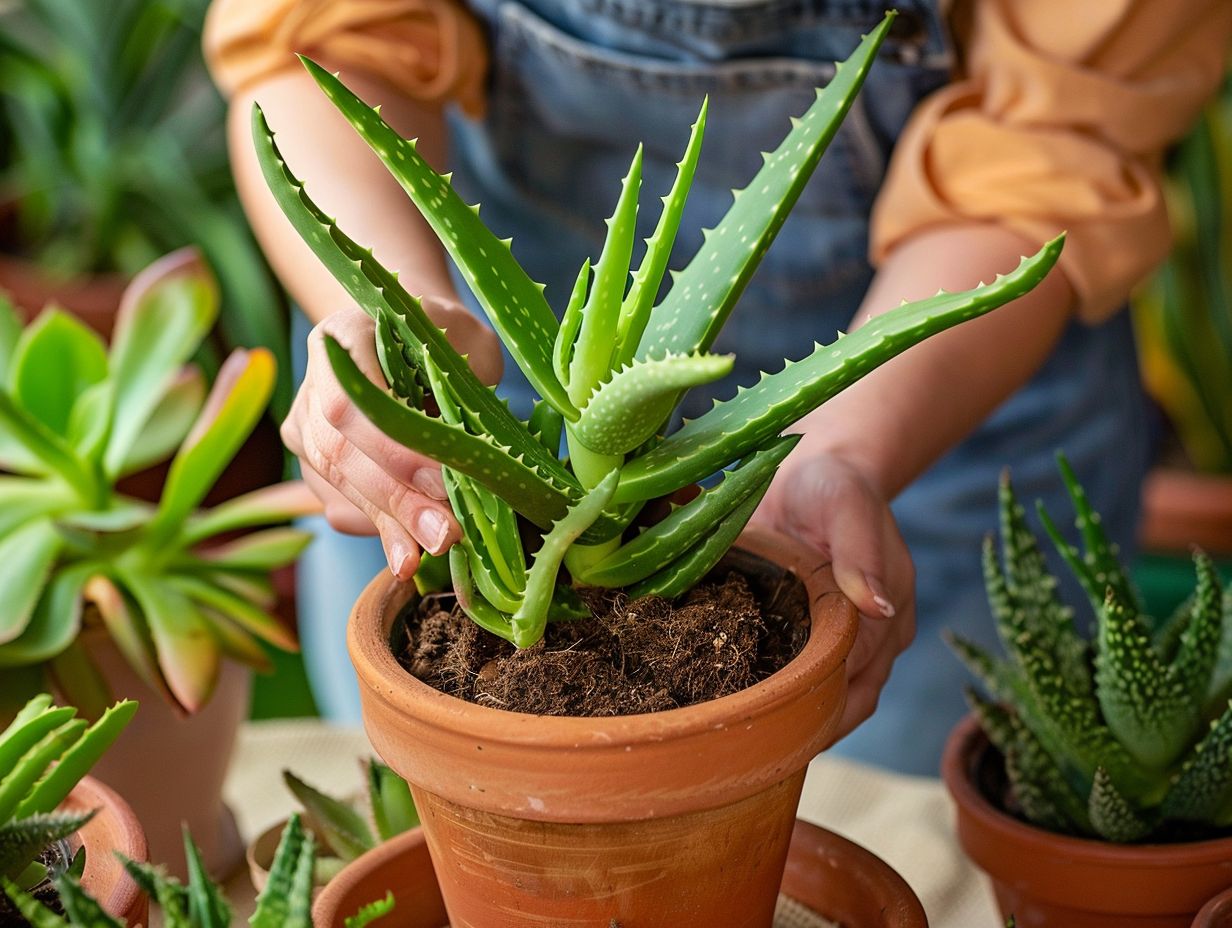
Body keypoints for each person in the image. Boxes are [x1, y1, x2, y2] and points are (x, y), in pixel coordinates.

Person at [204, 0, 1232, 774]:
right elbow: (319, 41)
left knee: (893, 831)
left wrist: (843, 452)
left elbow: (1043, 152)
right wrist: (404, 320)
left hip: (930, 412)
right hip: (484, 361)